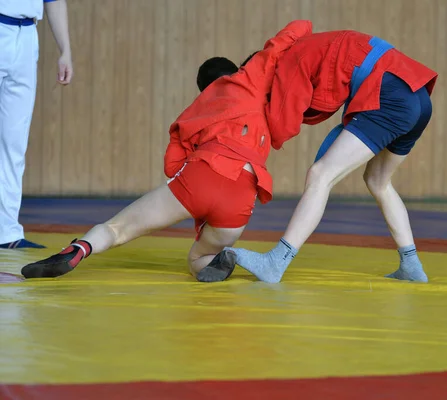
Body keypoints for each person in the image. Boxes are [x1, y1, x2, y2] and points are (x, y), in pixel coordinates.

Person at [20, 20, 313, 281]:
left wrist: (194, 193)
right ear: (236, 72)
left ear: (203, 90)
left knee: (117, 229)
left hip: (201, 176)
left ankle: (79, 248)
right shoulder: (252, 84)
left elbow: (173, 167)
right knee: (198, 259)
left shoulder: (191, 114)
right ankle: (224, 257)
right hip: (243, 196)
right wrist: (306, 32)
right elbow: (295, 28)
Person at [203, 26, 438, 284]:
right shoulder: (305, 47)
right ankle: (411, 265)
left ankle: (276, 261)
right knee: (378, 181)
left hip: (390, 96)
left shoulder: (289, 63)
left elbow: (282, 125)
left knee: (320, 175)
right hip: (417, 95)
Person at [0, 0, 73, 249]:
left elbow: (53, 1)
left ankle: (6, 232)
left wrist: (65, 50)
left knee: (14, 141)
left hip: (28, 34)